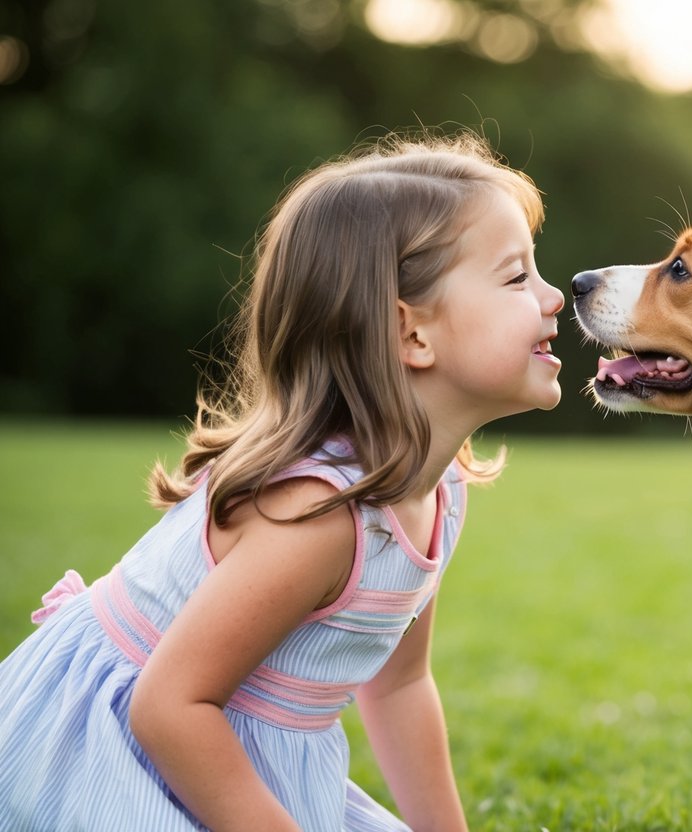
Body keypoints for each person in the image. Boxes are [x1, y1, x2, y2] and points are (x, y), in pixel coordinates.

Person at [0, 132, 564, 831]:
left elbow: (399, 684)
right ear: (411, 334)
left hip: (222, 756)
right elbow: (168, 707)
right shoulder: (317, 514)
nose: (553, 297)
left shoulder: (438, 488)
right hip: (104, 755)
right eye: (516, 278)